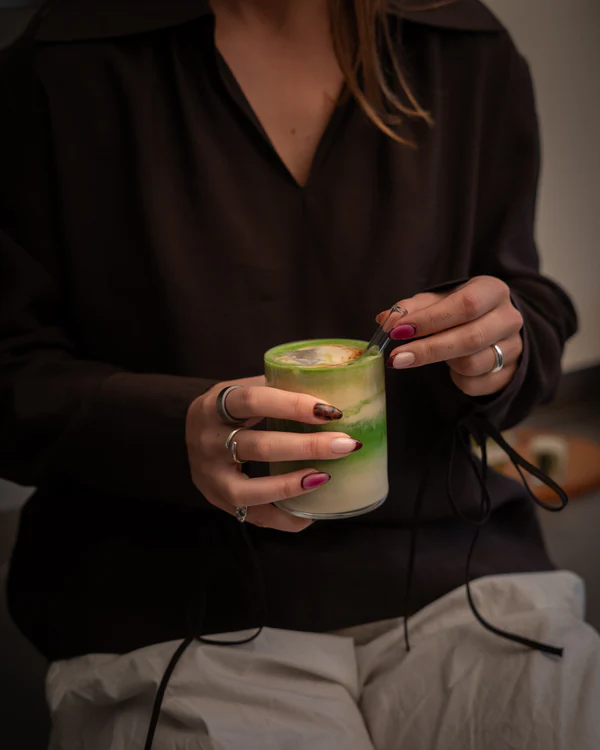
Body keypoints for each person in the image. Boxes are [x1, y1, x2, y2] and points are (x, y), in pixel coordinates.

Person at [1, 0, 599, 748]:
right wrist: (170, 430)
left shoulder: (463, 50)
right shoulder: (65, 65)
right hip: (170, 597)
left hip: (451, 569)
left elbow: (527, 301)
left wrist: (496, 349)